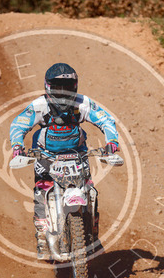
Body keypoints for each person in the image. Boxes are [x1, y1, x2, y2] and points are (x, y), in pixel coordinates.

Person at [9, 63, 119, 260]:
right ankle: (42, 236)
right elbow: (19, 124)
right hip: (46, 156)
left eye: (66, 87)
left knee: (90, 191)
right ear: (48, 86)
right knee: (42, 190)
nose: (62, 92)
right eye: (58, 87)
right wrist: (17, 146)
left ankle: (92, 233)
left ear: (74, 86)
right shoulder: (39, 106)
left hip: (77, 156)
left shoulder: (82, 103)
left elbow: (105, 119)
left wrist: (112, 142)